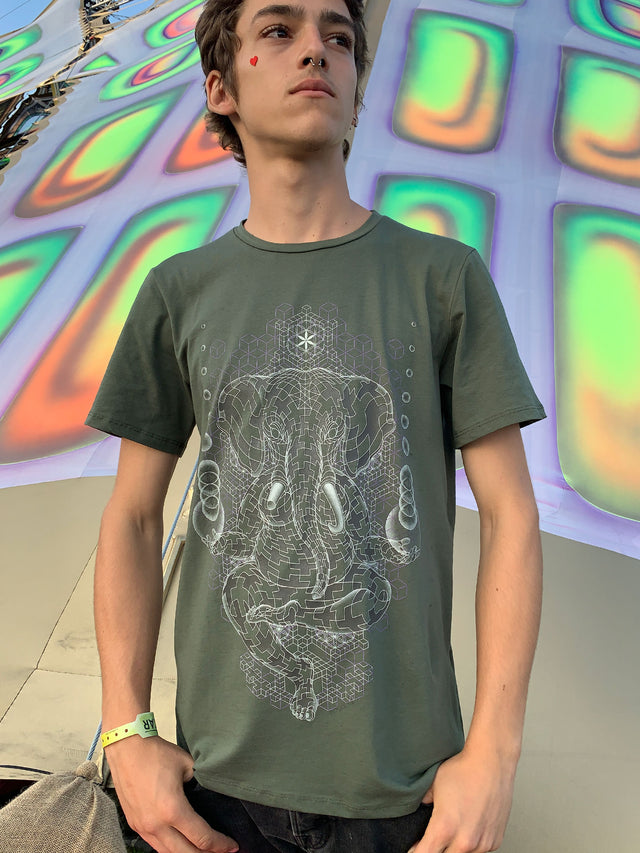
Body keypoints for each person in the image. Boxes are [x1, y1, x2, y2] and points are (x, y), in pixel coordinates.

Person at [87, 0, 546, 851]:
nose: (317, 51)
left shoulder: (443, 278)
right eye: (279, 30)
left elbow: (512, 514)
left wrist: (495, 750)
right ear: (221, 87)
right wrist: (126, 730)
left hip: (405, 793)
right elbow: (133, 517)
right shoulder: (177, 291)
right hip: (213, 790)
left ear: (357, 89)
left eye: (338, 37)